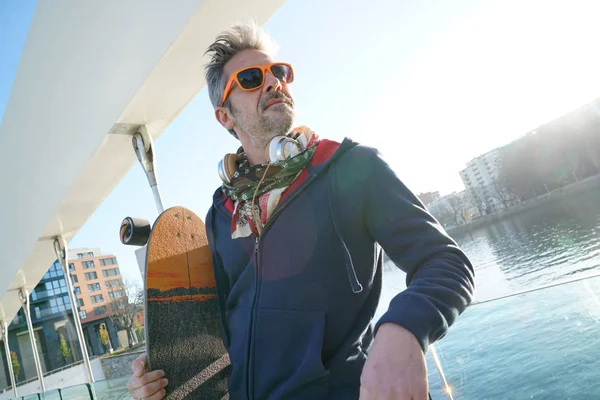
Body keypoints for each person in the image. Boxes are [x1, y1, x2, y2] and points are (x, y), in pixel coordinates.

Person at [127, 21, 475, 400]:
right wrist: (163, 382)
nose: (274, 82)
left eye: (279, 72)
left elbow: (446, 262)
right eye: (250, 78)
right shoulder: (221, 212)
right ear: (225, 116)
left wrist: (402, 329)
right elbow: (217, 335)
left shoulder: (352, 168)